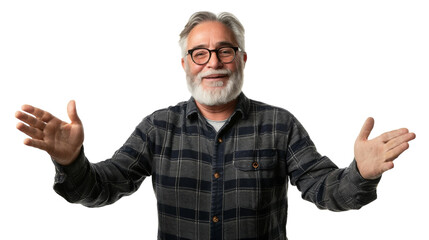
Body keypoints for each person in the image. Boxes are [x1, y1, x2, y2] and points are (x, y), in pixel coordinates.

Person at [15, 11, 416, 240]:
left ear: (242, 60)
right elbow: (100, 189)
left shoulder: (279, 125)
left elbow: (326, 190)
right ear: (186, 64)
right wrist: (71, 162)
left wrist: (360, 173)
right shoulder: (158, 128)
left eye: (225, 50)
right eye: (200, 52)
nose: (213, 61)